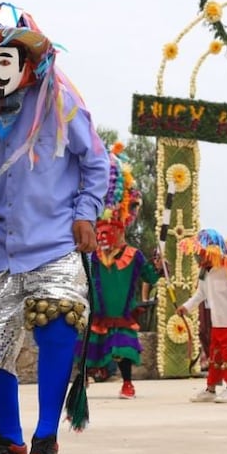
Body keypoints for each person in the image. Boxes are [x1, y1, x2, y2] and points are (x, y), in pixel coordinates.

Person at [0, 2, 109, 454]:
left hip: (55, 243)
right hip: (1, 250)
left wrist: (86, 214)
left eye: (5, 60)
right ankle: (9, 442)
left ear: (26, 64)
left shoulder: (60, 106)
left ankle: (46, 438)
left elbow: (96, 163)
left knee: (57, 322)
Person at [84, 146, 160, 400]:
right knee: (88, 349)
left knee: (123, 349)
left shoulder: (134, 255)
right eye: (101, 231)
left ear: (120, 230)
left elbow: (150, 277)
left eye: (109, 231)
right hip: (97, 313)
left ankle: (127, 383)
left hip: (123, 315)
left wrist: (159, 268)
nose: (104, 236)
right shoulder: (93, 256)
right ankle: (83, 379)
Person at [177, 229, 227, 404]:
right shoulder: (204, 273)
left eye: (202, 252)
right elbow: (200, 294)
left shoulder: (226, 269)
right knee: (215, 355)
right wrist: (186, 307)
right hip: (217, 323)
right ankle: (211, 389)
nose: (199, 256)